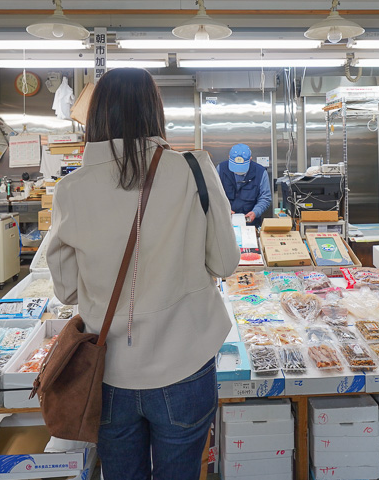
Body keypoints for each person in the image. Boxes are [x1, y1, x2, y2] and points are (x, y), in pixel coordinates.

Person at [45, 68, 239, 480]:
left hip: (109, 374)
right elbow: (224, 263)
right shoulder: (194, 169)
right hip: (185, 366)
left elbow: (64, 290)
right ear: (155, 112)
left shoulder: (71, 190)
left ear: (97, 116)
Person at [216, 143, 272, 227]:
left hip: (250, 223)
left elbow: (265, 197)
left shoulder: (260, 172)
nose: (239, 171)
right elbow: (213, 194)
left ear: (250, 159)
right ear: (229, 157)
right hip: (224, 222)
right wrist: (223, 209)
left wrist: (255, 212)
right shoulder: (220, 169)